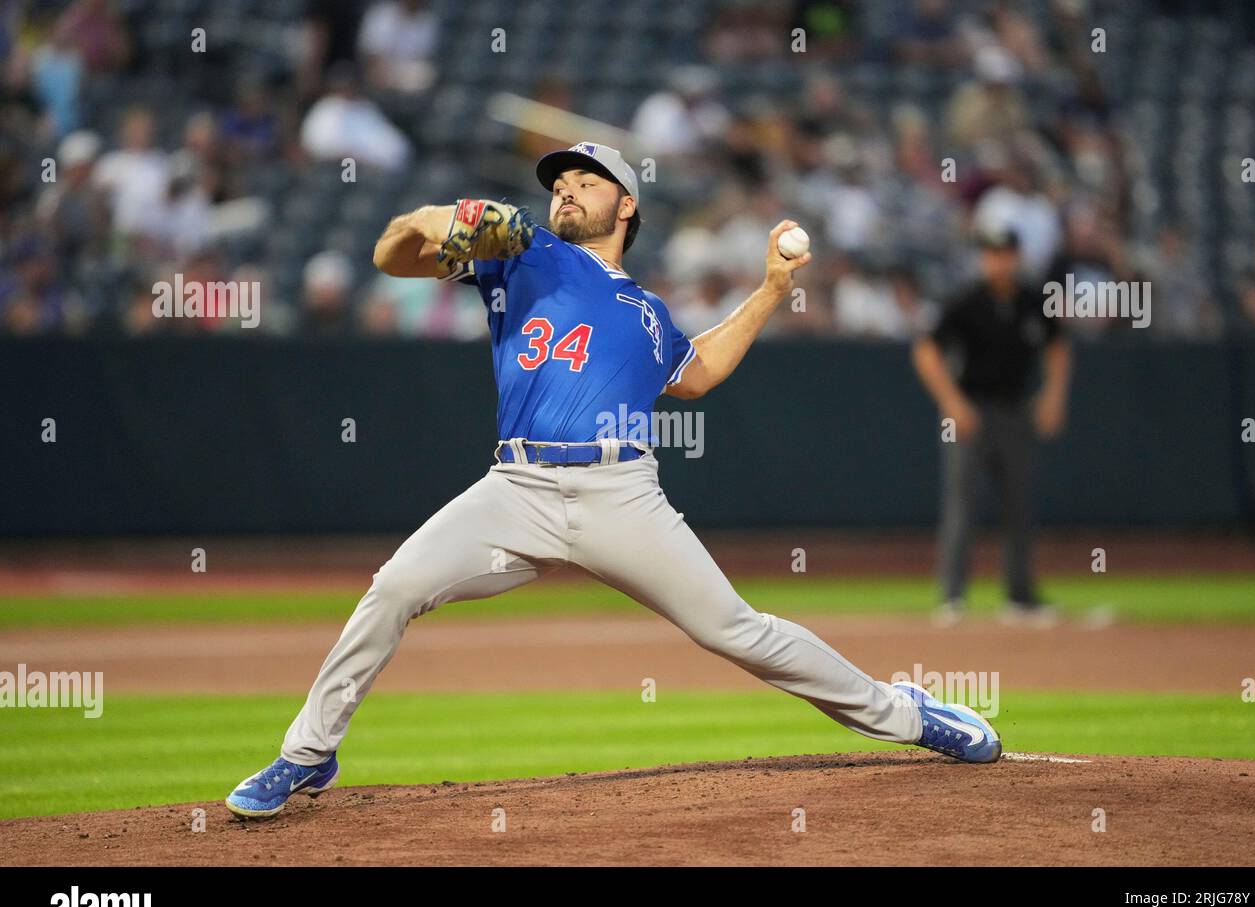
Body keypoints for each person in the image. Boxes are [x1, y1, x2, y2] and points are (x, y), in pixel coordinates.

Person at [224, 142, 1003, 817]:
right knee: (393, 587)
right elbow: (391, 256)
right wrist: (440, 217)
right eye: (558, 181)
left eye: (585, 180)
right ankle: (308, 753)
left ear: (625, 205)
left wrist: (768, 292)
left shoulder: (648, 311)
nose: (565, 188)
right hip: (516, 490)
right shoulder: (521, 253)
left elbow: (695, 379)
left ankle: (912, 714)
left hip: (620, 494)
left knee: (735, 631)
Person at [911, 225, 1072, 626]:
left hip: (1016, 411)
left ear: (1016, 257)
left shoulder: (1034, 301)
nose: (999, 261)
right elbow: (926, 350)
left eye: (1005, 253)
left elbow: (1058, 345)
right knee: (962, 504)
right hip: (972, 411)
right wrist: (952, 402)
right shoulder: (966, 300)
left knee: (1019, 504)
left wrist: (1053, 396)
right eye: (992, 253)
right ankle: (953, 597)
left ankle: (1020, 596)